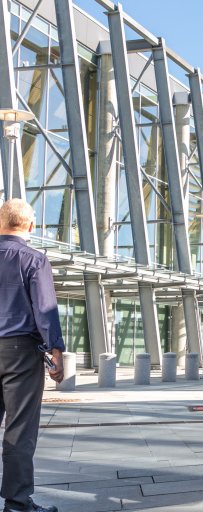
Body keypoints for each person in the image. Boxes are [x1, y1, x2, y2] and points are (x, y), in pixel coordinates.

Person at [0, 199, 64, 512]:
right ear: (30, 226)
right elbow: (45, 309)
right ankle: (16, 503)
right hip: (19, 351)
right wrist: (56, 350)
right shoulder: (34, 259)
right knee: (20, 427)